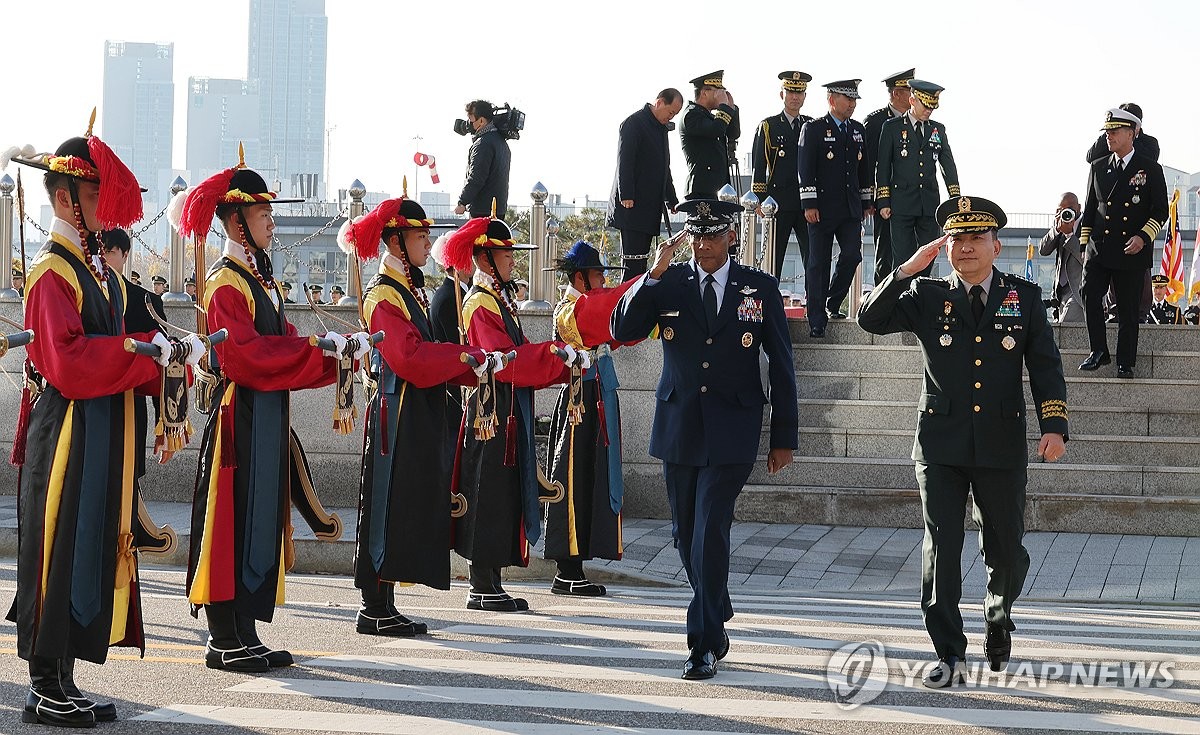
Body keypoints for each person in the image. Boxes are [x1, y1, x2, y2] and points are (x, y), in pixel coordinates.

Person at [7, 127, 200, 727]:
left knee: (84, 547)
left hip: (98, 432)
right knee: (57, 548)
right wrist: (140, 352)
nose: (104, 207)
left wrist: (169, 358)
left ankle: (64, 675)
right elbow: (68, 361)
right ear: (66, 199)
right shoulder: (51, 273)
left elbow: (118, 351)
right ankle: (44, 684)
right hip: (65, 432)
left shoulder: (96, 273)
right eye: (94, 195)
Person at [858, 195, 1068, 689]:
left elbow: (1044, 365)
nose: (966, 248)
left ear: (996, 246)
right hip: (940, 444)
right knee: (942, 547)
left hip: (1001, 441)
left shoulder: (1025, 297)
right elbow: (870, 317)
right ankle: (949, 650)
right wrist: (906, 269)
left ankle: (998, 615)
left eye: (976, 238)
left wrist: (1054, 427)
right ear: (945, 245)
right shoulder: (928, 295)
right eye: (957, 239)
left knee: (1007, 550)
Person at [174, 154, 361, 673]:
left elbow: (280, 346)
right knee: (231, 523)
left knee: (259, 521)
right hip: (241, 415)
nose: (271, 224)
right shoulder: (225, 281)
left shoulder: (256, 278)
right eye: (264, 217)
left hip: (265, 414)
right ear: (237, 223)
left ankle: (246, 630)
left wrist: (334, 351)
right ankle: (222, 634)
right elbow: (248, 356)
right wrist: (320, 351)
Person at [611, 199, 797, 681]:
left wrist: (784, 435)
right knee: (684, 535)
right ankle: (716, 611)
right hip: (679, 426)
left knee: (710, 529)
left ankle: (700, 645)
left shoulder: (758, 287)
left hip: (734, 427)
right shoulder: (668, 281)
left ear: (731, 236)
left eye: (712, 235)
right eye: (695, 235)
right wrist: (648, 278)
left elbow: (781, 362)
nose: (702, 243)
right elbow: (622, 329)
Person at [338, 197, 485, 636]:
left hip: (412, 411)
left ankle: (386, 602)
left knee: (403, 505)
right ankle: (373, 604)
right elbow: (408, 356)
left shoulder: (408, 288)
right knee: (386, 504)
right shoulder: (385, 293)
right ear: (397, 242)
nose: (427, 243)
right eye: (420, 236)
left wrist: (468, 366)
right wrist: (464, 356)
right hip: (395, 414)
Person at [444, 215, 571, 612]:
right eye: (505, 253)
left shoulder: (498, 299)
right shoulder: (481, 301)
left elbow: (519, 350)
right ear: (485, 258)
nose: (512, 260)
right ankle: (481, 584)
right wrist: (553, 358)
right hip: (490, 410)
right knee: (487, 491)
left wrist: (554, 355)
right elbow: (503, 357)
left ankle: (491, 581)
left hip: (504, 409)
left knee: (501, 493)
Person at [544, 240, 637, 596]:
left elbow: (617, 333)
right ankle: (567, 567)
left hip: (592, 399)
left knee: (589, 480)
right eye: (597, 275)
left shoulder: (585, 304)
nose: (601, 281)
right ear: (581, 278)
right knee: (573, 481)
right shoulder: (570, 310)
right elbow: (604, 319)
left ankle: (575, 565)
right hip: (577, 402)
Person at [1079, 108, 1168, 379]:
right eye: (1107, 132)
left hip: (1131, 249)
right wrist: (1085, 246)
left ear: (1132, 133)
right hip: (1100, 246)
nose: (1109, 136)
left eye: (1114, 132)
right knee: (1089, 294)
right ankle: (1099, 351)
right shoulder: (1098, 166)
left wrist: (1143, 237)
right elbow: (1090, 209)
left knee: (1129, 310)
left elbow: (1160, 210)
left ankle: (1125, 362)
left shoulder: (1149, 168)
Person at [798, 79, 874, 337]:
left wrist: (866, 202)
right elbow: (805, 169)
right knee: (818, 263)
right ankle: (816, 318)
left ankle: (832, 300)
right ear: (832, 99)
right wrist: (809, 203)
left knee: (852, 255)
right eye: (847, 99)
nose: (852, 105)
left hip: (850, 208)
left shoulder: (857, 130)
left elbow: (863, 170)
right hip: (821, 208)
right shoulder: (814, 128)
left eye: (854, 100)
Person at [876, 80, 960, 276]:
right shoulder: (892, 127)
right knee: (904, 259)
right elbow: (883, 166)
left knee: (928, 255)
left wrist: (955, 197)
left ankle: (921, 298)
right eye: (925, 105)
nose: (929, 111)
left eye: (932, 106)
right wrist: (883, 200)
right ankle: (903, 301)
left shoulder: (937, 129)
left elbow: (947, 163)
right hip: (901, 202)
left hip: (929, 203)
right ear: (912, 100)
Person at [609, 88, 683, 279]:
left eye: (675, 114)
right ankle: (630, 303)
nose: (671, 117)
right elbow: (625, 161)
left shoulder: (660, 129)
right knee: (632, 262)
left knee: (642, 261)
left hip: (650, 206)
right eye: (670, 112)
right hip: (632, 205)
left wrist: (671, 199)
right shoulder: (634, 123)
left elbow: (663, 167)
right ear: (659, 102)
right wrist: (626, 194)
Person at [751, 71, 813, 278]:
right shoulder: (768, 126)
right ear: (782, 95)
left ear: (805, 96)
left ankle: (814, 307)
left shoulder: (811, 125)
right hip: (777, 203)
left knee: (812, 259)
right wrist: (759, 199)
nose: (795, 97)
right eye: (790, 92)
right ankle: (770, 308)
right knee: (772, 259)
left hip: (806, 203)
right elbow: (759, 166)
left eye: (799, 93)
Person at [864, 69, 916, 286]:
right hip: (886, 199)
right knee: (885, 254)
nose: (913, 95)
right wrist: (868, 199)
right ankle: (881, 299)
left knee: (910, 255)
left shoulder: (916, 120)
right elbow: (867, 165)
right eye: (908, 91)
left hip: (912, 199)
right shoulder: (876, 122)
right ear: (896, 94)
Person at [678, 70, 740, 200]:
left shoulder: (712, 118)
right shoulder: (691, 115)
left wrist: (731, 108)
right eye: (717, 91)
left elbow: (733, 133)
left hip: (719, 189)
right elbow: (715, 130)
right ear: (704, 92)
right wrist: (724, 107)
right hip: (702, 190)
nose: (721, 95)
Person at [455, 100, 512, 220]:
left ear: (481, 121)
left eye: (471, 120)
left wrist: (462, 202)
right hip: (498, 209)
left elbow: (476, 177)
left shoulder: (483, 144)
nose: (469, 124)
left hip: (482, 212)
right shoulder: (501, 142)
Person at [1039, 193, 1085, 323]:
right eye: (1061, 209)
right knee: (1059, 333)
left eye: (1070, 207)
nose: (1066, 212)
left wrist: (1070, 235)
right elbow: (1043, 250)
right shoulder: (1059, 225)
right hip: (1060, 294)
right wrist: (1056, 230)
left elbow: (1087, 259)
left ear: (1079, 207)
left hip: (1078, 292)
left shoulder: (1088, 225)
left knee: (1065, 329)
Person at [1085, 102, 1160, 163]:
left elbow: (1150, 162)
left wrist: (1130, 138)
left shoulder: (1149, 143)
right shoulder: (1109, 138)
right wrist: (1111, 131)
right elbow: (1091, 157)